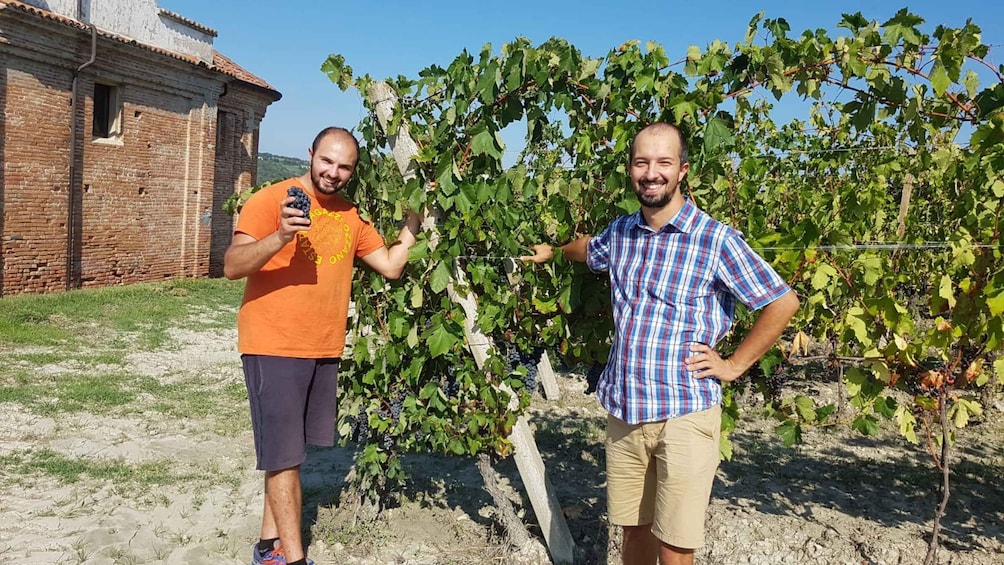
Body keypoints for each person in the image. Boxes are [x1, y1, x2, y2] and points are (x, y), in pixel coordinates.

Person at [522, 122, 799, 565]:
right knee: (632, 536)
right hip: (627, 410)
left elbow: (782, 302)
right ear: (631, 169)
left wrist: (734, 365)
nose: (651, 173)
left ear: (682, 170)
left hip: (684, 411)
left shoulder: (715, 240)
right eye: (641, 162)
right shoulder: (622, 233)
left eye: (663, 163)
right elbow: (587, 248)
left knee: (675, 546)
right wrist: (554, 251)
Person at [224, 126, 424, 565]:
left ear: (353, 171)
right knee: (284, 457)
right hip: (272, 344)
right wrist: (279, 235)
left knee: (287, 453)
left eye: (344, 166)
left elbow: (390, 266)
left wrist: (413, 222)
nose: (332, 172)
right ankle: (294, 559)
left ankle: (267, 549)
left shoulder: (351, 215)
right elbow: (232, 265)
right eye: (326, 161)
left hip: (321, 348)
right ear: (310, 154)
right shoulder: (270, 201)